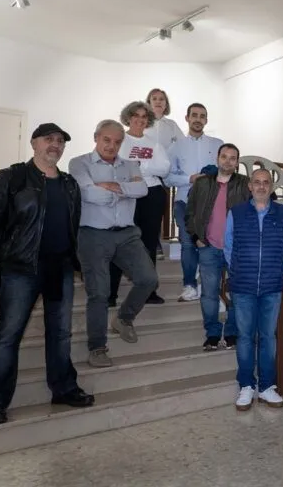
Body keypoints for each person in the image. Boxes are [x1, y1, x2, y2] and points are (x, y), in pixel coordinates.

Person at [0, 124, 94, 426]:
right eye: (48, 139)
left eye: (60, 141)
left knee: (61, 334)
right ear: (33, 143)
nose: (55, 145)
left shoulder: (69, 184)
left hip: (61, 268)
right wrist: (2, 260)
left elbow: (73, 224)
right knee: (8, 336)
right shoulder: (12, 177)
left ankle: (64, 388)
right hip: (21, 270)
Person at [68, 120, 159, 368]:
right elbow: (87, 193)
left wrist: (111, 188)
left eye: (117, 141)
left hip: (127, 234)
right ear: (96, 137)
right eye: (107, 140)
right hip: (93, 234)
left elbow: (142, 190)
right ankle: (97, 347)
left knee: (149, 279)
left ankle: (124, 318)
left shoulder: (130, 164)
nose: (112, 145)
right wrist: (122, 191)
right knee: (99, 293)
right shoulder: (79, 163)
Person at [225, 168, 283, 410]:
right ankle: (246, 386)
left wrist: (279, 269)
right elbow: (228, 245)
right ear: (250, 187)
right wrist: (237, 271)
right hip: (242, 286)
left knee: (268, 337)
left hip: (272, 287)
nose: (262, 186)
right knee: (245, 337)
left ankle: (266, 387)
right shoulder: (237, 213)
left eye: (266, 182)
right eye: (257, 182)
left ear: (271, 187)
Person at [185, 143, 248, 351]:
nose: (228, 161)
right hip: (208, 247)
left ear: (237, 163)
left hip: (236, 250)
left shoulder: (245, 184)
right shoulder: (202, 184)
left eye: (232, 158)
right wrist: (196, 237)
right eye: (224, 156)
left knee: (237, 294)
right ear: (217, 159)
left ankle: (231, 333)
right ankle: (212, 333)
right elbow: (190, 212)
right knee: (209, 294)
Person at [108, 101, 171, 305]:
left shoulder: (154, 143)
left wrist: (136, 167)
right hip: (124, 194)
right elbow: (113, 164)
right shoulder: (118, 140)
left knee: (148, 244)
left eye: (145, 117)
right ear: (128, 117)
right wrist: (146, 167)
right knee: (120, 242)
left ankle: (149, 291)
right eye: (136, 115)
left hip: (151, 194)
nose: (140, 120)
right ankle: (110, 294)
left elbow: (164, 169)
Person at [166, 103, 224, 302]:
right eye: (194, 115)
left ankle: (209, 284)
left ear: (206, 120)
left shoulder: (218, 144)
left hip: (212, 204)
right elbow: (167, 178)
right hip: (185, 202)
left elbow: (226, 171)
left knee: (210, 244)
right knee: (188, 244)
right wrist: (188, 179)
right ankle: (189, 285)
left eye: (202, 116)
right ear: (187, 118)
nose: (198, 119)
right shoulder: (175, 147)